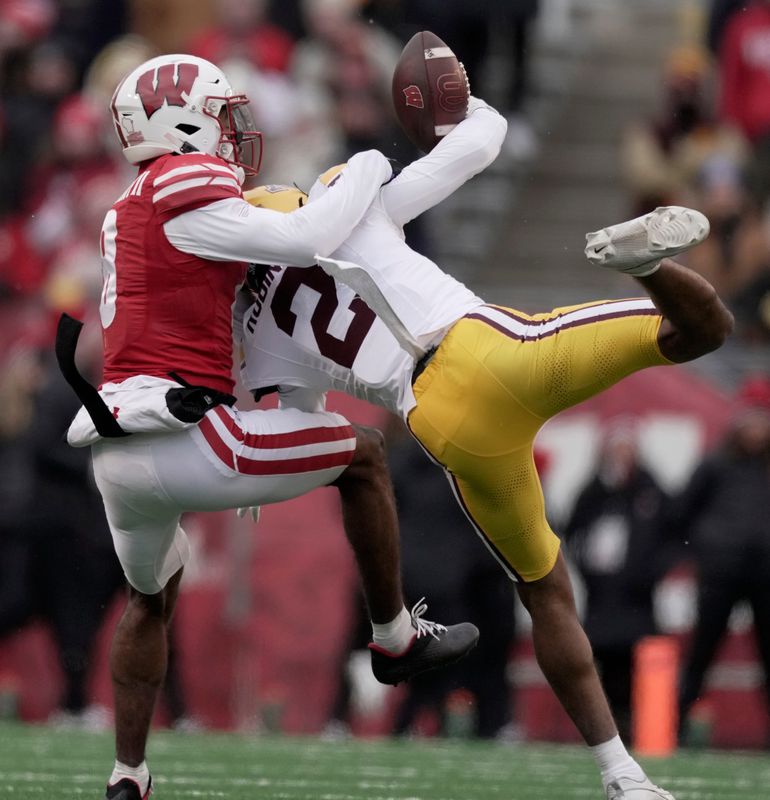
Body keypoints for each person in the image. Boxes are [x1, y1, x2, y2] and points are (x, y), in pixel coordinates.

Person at [237, 95, 733, 800]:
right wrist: (455, 95)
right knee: (703, 331)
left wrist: (252, 481)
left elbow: (301, 419)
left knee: (545, 589)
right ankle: (646, 266)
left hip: (443, 425)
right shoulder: (347, 199)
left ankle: (623, 775)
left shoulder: (259, 334)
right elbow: (485, 140)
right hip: (492, 352)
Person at [58, 54, 477, 800]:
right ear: (180, 125)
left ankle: (128, 776)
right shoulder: (185, 183)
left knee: (150, 599)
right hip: (186, 439)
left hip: (119, 454)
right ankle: (394, 639)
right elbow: (306, 237)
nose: (233, 133)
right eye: (220, 116)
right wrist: (368, 164)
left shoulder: (130, 204)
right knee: (368, 454)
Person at [674, 375, 770, 745]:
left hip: (764, 575)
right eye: (752, 420)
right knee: (702, 652)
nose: (757, 429)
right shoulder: (715, 464)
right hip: (721, 572)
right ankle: (676, 725)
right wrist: (704, 547)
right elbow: (682, 512)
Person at [563, 418, 671, 743]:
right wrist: (586, 568)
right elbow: (572, 533)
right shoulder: (593, 492)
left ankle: (639, 726)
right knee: (600, 662)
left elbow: (671, 533)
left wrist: (651, 570)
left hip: (637, 599)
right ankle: (606, 729)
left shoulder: (650, 491)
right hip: (602, 598)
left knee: (635, 666)